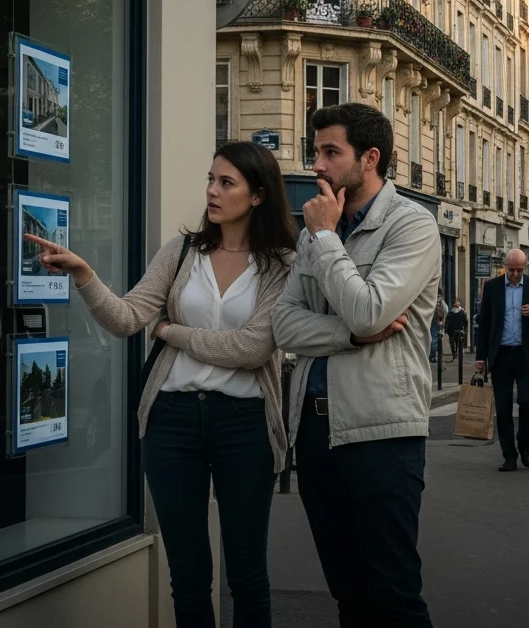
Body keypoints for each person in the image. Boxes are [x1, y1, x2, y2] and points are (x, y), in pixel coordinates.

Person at [25, 141, 296, 628]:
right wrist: (85, 275)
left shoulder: (281, 264)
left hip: (246, 425)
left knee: (247, 572)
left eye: (226, 182)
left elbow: (253, 348)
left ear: (257, 195)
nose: (212, 191)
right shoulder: (181, 252)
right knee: (188, 574)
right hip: (171, 422)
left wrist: (171, 331)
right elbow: (127, 318)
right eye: (210, 179)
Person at [272, 103, 439, 627]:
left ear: (370, 158)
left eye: (329, 152)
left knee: (393, 595)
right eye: (315, 151)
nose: (316, 165)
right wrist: (348, 335)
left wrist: (324, 239)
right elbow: (284, 325)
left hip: (381, 430)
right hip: (316, 432)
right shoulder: (315, 231)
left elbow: (372, 307)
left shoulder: (412, 225)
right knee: (348, 596)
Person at [475, 249, 529, 471]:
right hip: (502, 355)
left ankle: (524, 446)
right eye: (511, 269)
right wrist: (480, 357)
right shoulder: (493, 287)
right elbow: (484, 323)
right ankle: (509, 455)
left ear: (525, 268)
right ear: (505, 266)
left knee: (527, 403)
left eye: (519, 270)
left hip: (525, 355)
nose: (515, 274)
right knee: (503, 408)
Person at [430, 294, 448, 363]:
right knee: (438, 337)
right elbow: (446, 310)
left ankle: (433, 355)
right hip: (440, 321)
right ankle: (436, 355)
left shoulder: (433, 300)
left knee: (433, 337)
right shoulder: (442, 302)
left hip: (433, 321)